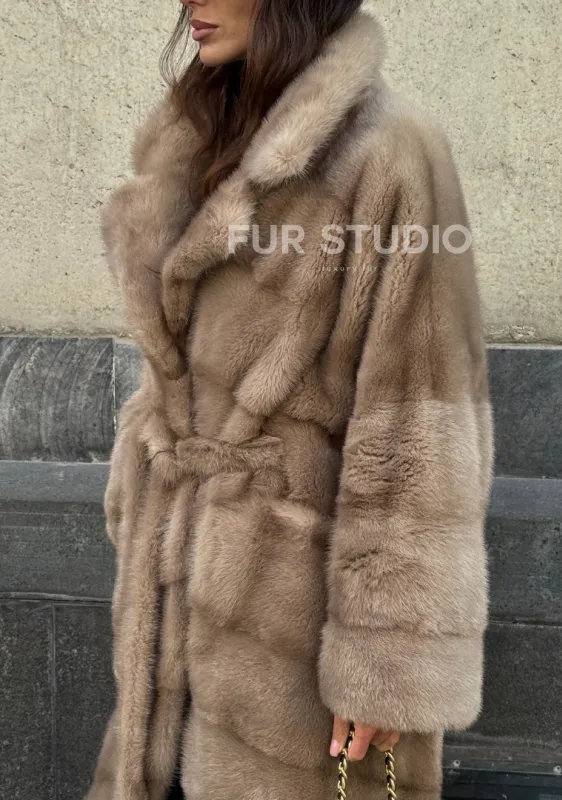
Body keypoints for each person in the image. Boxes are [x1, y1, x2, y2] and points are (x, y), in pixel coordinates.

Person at [85, 1, 494, 798]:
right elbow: (177, 364)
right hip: (170, 599)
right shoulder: (198, 139)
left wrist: (385, 668)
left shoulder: (390, 150)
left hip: (295, 630)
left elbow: (419, 422)